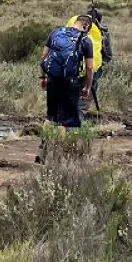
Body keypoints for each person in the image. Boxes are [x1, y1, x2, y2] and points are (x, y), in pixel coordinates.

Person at [37, 13, 95, 162]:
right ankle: (56, 157)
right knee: (65, 120)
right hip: (70, 82)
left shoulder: (55, 33)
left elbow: (43, 57)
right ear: (86, 26)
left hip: (53, 79)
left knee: (51, 117)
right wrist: (87, 86)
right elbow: (89, 68)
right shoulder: (86, 40)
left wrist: (43, 77)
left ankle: (42, 153)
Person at [67, 5, 112, 114]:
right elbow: (108, 56)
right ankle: (75, 125)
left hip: (70, 69)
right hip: (92, 71)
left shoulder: (72, 27)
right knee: (82, 105)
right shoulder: (103, 34)